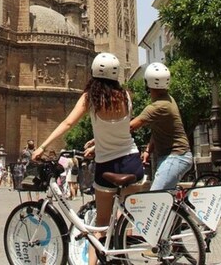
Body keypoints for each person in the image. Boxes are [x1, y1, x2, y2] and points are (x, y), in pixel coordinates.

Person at [31, 53, 143, 265]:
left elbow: (67, 123)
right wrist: (96, 143)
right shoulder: (127, 96)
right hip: (133, 161)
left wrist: (42, 146)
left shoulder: (91, 98)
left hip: (107, 164)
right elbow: (119, 130)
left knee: (101, 224)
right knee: (122, 219)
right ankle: (120, 253)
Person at [130, 62, 193, 190]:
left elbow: (130, 127)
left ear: (147, 84)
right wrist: (148, 149)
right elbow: (158, 129)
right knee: (164, 200)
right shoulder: (168, 99)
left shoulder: (157, 106)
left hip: (175, 157)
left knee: (155, 197)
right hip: (176, 156)